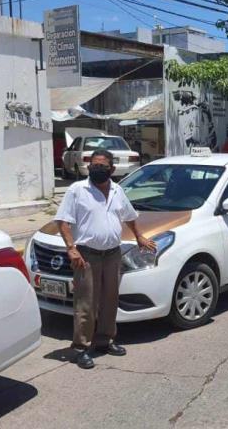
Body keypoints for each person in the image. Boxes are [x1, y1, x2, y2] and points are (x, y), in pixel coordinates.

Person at [55, 150, 157, 370]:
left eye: (102, 166)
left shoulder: (118, 190)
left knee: (110, 299)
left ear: (111, 169)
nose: (97, 169)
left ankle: (105, 340)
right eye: (93, 165)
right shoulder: (77, 190)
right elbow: (62, 221)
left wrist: (139, 236)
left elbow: (129, 216)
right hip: (87, 255)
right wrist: (71, 248)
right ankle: (81, 348)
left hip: (112, 254)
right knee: (86, 303)